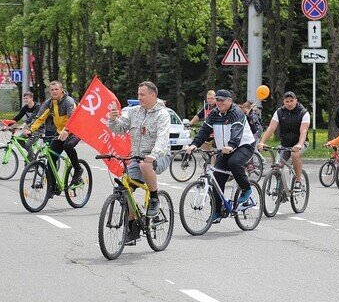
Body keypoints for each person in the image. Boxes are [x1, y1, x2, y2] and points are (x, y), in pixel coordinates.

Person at [108, 81, 171, 242]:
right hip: (137, 156)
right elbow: (120, 129)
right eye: (138, 94)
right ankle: (132, 228)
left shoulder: (162, 114)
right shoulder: (133, 111)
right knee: (125, 190)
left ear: (153, 95)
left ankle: (155, 198)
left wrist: (153, 155)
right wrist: (113, 119)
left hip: (159, 156)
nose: (139, 98)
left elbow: (162, 139)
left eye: (142, 95)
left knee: (145, 164)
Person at [186, 89, 255, 224]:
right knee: (217, 179)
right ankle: (217, 212)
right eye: (217, 100)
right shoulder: (214, 114)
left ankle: (246, 190)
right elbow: (204, 131)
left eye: (221, 100)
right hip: (224, 149)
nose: (218, 103)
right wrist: (194, 144)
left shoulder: (237, 112)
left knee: (234, 163)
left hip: (243, 145)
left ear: (230, 101)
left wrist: (231, 145)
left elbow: (236, 131)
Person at [25, 81, 82, 194]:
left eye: (56, 89)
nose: (54, 91)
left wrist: (67, 131)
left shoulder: (68, 101)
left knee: (67, 145)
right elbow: (40, 118)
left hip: (75, 129)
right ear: (50, 91)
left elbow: (72, 119)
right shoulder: (49, 103)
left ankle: (78, 169)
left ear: (61, 90)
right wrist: (30, 129)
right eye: (52, 90)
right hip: (60, 132)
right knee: (51, 158)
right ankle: (52, 186)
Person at [258, 91, 310, 192]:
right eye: (287, 101)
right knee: (278, 165)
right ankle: (280, 188)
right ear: (284, 102)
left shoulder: (303, 113)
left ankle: (298, 181)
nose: (289, 103)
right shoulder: (279, 112)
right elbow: (271, 128)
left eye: (291, 101)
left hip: (300, 143)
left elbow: (303, 131)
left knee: (295, 155)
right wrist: (262, 141)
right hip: (285, 144)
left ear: (296, 100)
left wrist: (299, 144)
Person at [13, 91, 41, 161]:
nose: (25, 100)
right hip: (30, 128)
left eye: (27, 98)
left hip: (39, 129)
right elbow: (18, 117)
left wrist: (23, 125)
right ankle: (31, 154)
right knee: (19, 139)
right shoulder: (25, 107)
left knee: (28, 144)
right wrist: (8, 125)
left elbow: (32, 117)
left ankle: (31, 162)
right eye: (24, 98)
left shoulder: (37, 106)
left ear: (31, 98)